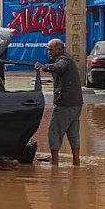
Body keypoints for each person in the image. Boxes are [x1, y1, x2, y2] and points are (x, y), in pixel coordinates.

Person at [34, 38, 84, 167]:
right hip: (76, 103)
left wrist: (44, 67)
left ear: (60, 49)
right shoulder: (66, 59)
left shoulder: (64, 61)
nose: (49, 52)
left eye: (51, 50)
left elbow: (59, 67)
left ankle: (55, 164)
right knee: (73, 134)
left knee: (54, 133)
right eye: (48, 50)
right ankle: (76, 162)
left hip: (65, 103)